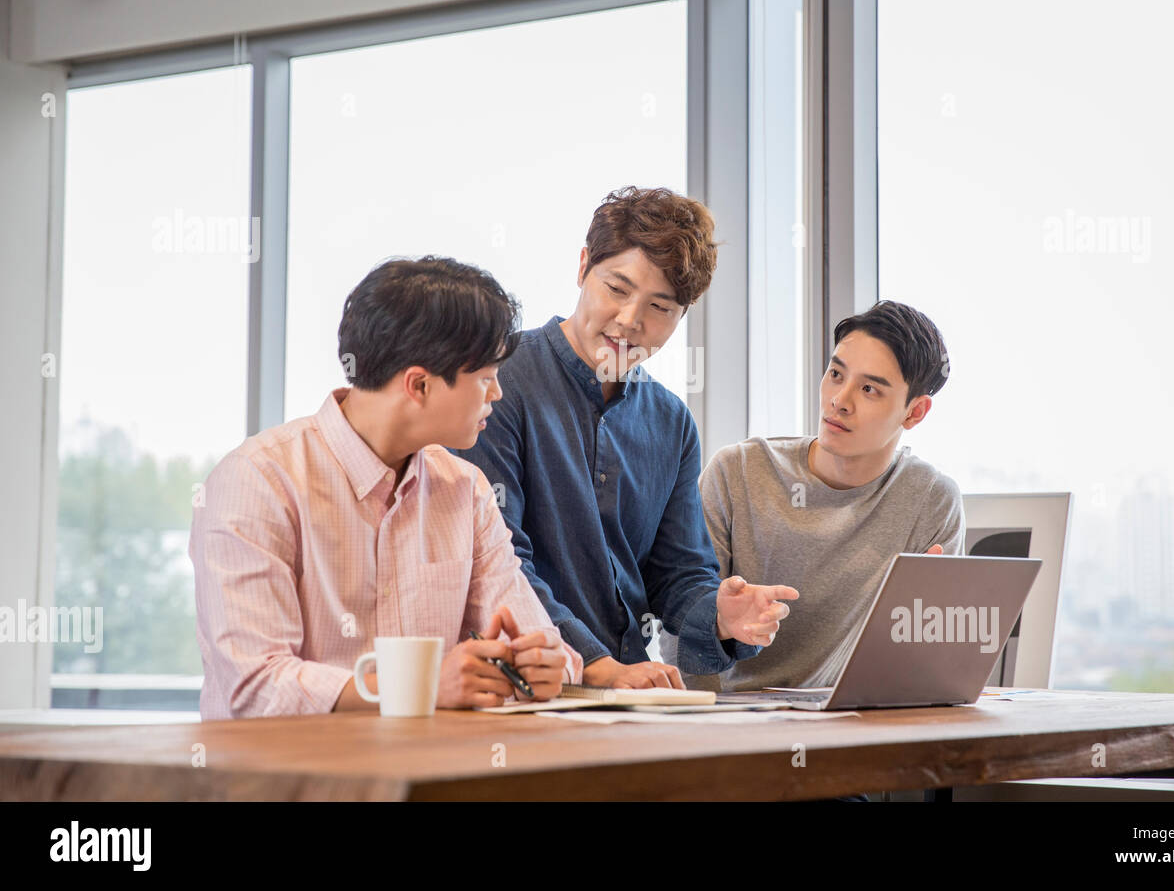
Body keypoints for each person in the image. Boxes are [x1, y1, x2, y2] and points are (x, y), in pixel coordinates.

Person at [190, 256, 582, 720]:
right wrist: (418, 685)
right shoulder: (257, 481)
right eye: (486, 379)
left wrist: (546, 665)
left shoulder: (465, 488)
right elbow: (255, 687)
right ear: (419, 385)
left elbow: (544, 646)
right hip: (295, 782)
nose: (496, 394)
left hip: (431, 778)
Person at [455, 186, 798, 689]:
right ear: (582, 267)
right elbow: (499, 566)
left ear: (682, 317)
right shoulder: (497, 382)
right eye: (617, 288)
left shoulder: (672, 421)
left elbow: (678, 573)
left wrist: (721, 614)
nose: (630, 321)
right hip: (521, 684)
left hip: (630, 690)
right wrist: (599, 666)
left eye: (660, 307)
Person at [661, 300, 964, 691]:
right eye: (836, 374)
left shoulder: (931, 501)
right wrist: (720, 630)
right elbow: (677, 636)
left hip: (862, 729)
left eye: (869, 389)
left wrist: (932, 629)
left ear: (914, 412)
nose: (840, 399)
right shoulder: (738, 473)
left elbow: (931, 673)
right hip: (739, 726)